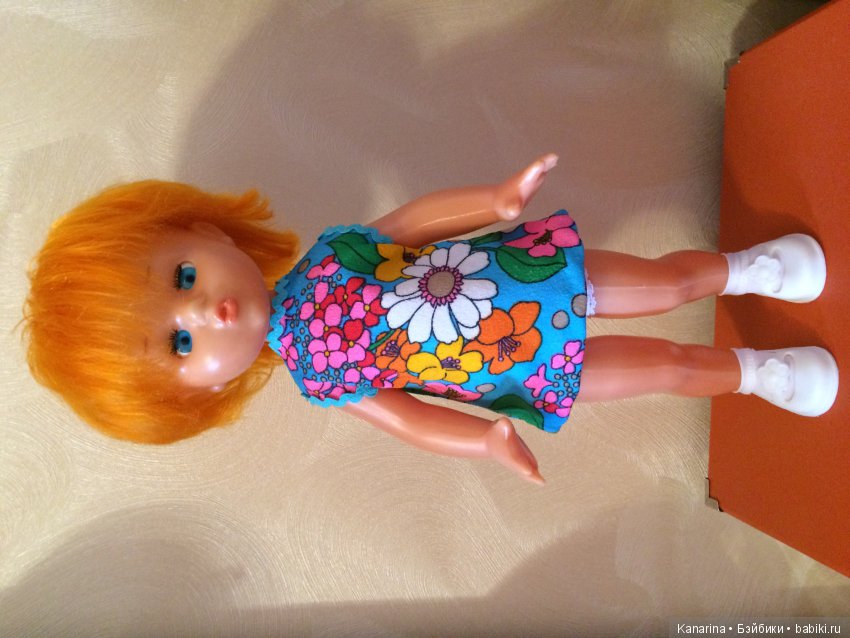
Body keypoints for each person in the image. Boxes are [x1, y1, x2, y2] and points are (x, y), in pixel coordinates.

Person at [23, 154, 838, 483]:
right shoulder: (323, 377)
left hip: (526, 278)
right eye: (179, 342)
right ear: (198, 393)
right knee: (667, 368)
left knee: (663, 283)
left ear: (206, 232)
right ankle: (756, 374)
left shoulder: (334, 255)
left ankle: (749, 268)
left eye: (181, 276)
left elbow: (410, 225)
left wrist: (495, 201)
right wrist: (483, 439)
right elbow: (409, 418)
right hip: (515, 369)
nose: (202, 310)